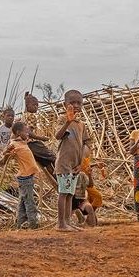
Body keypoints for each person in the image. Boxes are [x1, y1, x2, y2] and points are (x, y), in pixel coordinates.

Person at [54, 89, 87, 232]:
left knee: (69, 194)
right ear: (64, 104)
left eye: (79, 103)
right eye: (72, 102)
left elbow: (85, 143)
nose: (76, 105)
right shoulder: (63, 120)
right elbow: (58, 136)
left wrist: (82, 164)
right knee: (63, 192)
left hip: (75, 165)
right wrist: (67, 121)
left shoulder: (81, 124)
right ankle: (61, 223)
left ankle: (67, 222)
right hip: (64, 163)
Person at [0, 121, 40, 229]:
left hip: (28, 176)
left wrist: (28, 128)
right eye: (26, 132)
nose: (28, 134)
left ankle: (20, 224)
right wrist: (8, 152)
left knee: (23, 201)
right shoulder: (14, 144)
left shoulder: (22, 142)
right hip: (25, 178)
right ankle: (33, 224)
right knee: (29, 201)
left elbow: (25, 135)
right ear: (18, 132)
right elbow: (4, 152)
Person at [22, 92, 57, 189]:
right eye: (34, 105)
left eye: (37, 105)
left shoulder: (24, 115)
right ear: (28, 106)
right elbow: (29, 132)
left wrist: (25, 98)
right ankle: (60, 176)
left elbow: (26, 108)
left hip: (27, 145)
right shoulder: (31, 116)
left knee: (46, 162)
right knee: (53, 157)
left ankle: (56, 178)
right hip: (32, 143)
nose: (36, 107)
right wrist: (42, 138)